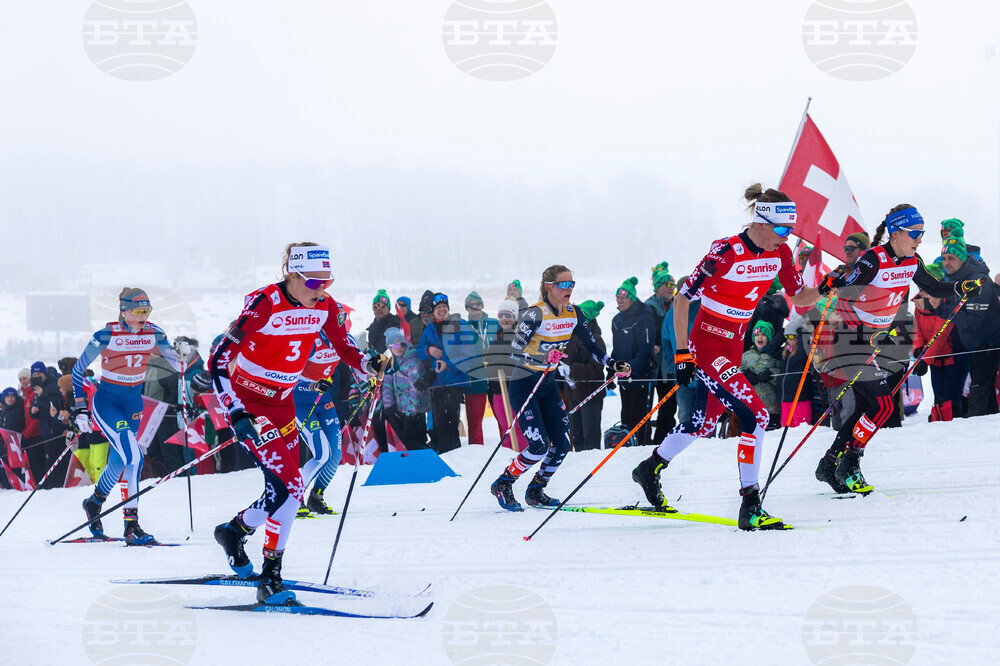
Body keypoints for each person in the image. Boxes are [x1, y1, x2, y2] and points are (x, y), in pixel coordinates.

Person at [631, 184, 821, 530]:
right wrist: (683, 356)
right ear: (761, 223)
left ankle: (650, 467)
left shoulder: (780, 254)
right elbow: (681, 300)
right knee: (756, 415)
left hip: (734, 345)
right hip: (707, 344)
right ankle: (750, 504)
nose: (785, 237)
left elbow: (801, 297)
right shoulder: (726, 251)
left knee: (702, 424)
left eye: (790, 231)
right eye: (781, 230)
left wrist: (831, 284)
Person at [209, 243, 373, 605]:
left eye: (327, 282)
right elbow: (219, 360)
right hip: (251, 403)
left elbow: (346, 348)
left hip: (283, 405)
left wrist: (368, 364)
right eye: (314, 282)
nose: (321, 290)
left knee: (286, 488)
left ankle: (233, 531)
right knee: (292, 483)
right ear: (293, 275)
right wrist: (235, 412)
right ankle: (270, 576)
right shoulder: (265, 303)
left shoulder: (325, 305)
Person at [812, 205, 976, 495]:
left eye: (922, 234)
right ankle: (850, 462)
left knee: (867, 406)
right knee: (885, 405)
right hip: (852, 340)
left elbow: (935, 287)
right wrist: (832, 284)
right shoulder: (873, 260)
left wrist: (961, 286)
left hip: (872, 340)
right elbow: (845, 292)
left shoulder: (912, 261)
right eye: (915, 233)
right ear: (896, 233)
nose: (919, 239)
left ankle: (829, 462)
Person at [490, 266, 629, 512]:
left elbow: (592, 347)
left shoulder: (574, 313)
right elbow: (514, 353)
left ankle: (536, 490)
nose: (569, 289)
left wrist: (612, 363)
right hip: (524, 385)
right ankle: (504, 483)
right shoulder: (535, 314)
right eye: (564, 284)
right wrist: (542, 361)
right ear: (549, 287)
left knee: (562, 445)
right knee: (538, 447)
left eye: (572, 284)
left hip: (547, 386)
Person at [72, 288, 183, 545]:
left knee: (121, 462)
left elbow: (176, 363)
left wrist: (182, 354)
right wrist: (79, 407)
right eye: (138, 311)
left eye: (147, 310)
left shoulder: (154, 332)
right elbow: (78, 371)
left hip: (133, 403)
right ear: (124, 310)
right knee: (135, 456)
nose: (143, 315)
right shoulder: (106, 334)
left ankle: (94, 503)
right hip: (107, 403)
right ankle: (131, 526)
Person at [936, 234, 1000, 417]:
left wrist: (941, 306)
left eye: (951, 258)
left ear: (962, 259)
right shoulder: (957, 280)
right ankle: (988, 436)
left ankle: (972, 440)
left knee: (977, 399)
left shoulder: (979, 282)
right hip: (976, 346)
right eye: (944, 258)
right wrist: (937, 308)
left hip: (988, 347)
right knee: (986, 399)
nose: (946, 263)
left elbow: (972, 322)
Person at [293, 330, 348, 517]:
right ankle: (294, 497)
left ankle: (316, 498)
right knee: (322, 453)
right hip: (301, 401)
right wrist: (311, 386)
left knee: (335, 453)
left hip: (323, 400)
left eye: (342, 319)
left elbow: (357, 363)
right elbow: (289, 379)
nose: (340, 324)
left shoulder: (343, 338)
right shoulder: (312, 341)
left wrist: (371, 373)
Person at [417, 293, 475, 454]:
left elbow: (468, 356)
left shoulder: (460, 325)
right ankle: (446, 458)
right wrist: (428, 350)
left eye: (444, 307)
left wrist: (447, 364)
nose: (442, 310)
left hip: (454, 381)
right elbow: (419, 351)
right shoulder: (429, 328)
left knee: (450, 424)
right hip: (436, 383)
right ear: (433, 311)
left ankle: (455, 458)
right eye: (438, 307)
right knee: (439, 425)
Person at [910, 263, 966, 421]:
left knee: (950, 399)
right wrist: (918, 348)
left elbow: (939, 335)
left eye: (924, 289)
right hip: (935, 360)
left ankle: (955, 428)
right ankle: (939, 426)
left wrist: (925, 360)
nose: (920, 293)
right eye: (919, 289)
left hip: (953, 358)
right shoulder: (920, 303)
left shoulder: (948, 304)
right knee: (939, 398)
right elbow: (918, 329)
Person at [612, 277, 656, 446]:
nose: (620, 301)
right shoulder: (617, 320)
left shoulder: (644, 317)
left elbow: (645, 350)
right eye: (618, 297)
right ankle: (626, 446)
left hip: (640, 375)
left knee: (639, 416)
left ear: (632, 298)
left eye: (624, 297)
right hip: (623, 374)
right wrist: (611, 370)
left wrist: (631, 368)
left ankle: (642, 447)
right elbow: (616, 349)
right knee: (626, 415)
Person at [483, 300, 529, 451]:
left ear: (515, 317)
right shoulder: (498, 334)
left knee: (517, 426)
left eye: (508, 315)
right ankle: (507, 458)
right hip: (497, 389)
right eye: (501, 315)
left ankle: (522, 456)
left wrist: (500, 363)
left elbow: (517, 360)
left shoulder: (519, 335)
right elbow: (491, 363)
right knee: (504, 427)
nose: (504, 319)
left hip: (513, 389)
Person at [564, 299, 608, 451]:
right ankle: (578, 465)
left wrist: (571, 369)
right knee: (576, 436)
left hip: (590, 394)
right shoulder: (572, 336)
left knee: (590, 439)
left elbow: (596, 369)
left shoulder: (596, 340)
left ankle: (591, 467)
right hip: (573, 393)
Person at [381, 327, 431, 449]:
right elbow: (386, 386)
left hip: (415, 410)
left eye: (400, 344)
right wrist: (389, 408)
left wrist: (411, 413)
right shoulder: (390, 362)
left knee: (416, 441)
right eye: (393, 345)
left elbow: (416, 390)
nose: (398, 348)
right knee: (404, 443)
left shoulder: (412, 360)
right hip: (400, 409)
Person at [646, 268, 677, 444]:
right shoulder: (647, 307)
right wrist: (649, 346)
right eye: (666, 284)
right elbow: (641, 333)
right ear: (658, 287)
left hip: (670, 363)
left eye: (672, 285)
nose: (670, 288)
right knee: (647, 406)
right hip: (652, 364)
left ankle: (663, 440)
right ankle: (644, 439)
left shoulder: (677, 305)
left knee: (669, 405)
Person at [462, 291, 497, 446]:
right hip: (475, 380)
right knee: (475, 423)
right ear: (467, 308)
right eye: (471, 305)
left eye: (478, 304)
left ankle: (510, 451)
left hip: (497, 377)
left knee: (506, 419)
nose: (475, 307)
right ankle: (476, 452)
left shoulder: (495, 323)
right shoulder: (463, 327)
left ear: (482, 306)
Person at [741, 322, 781, 429]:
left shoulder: (774, 355)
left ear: (768, 338)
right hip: (748, 405)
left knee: (769, 437)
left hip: (770, 406)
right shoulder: (746, 355)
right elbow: (737, 372)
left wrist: (770, 374)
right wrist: (745, 375)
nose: (760, 337)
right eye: (757, 334)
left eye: (763, 335)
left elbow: (782, 372)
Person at [366, 289, 400, 354]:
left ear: (388, 308)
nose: (378, 309)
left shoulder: (396, 324)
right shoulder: (372, 328)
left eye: (382, 306)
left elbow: (399, 347)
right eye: (375, 306)